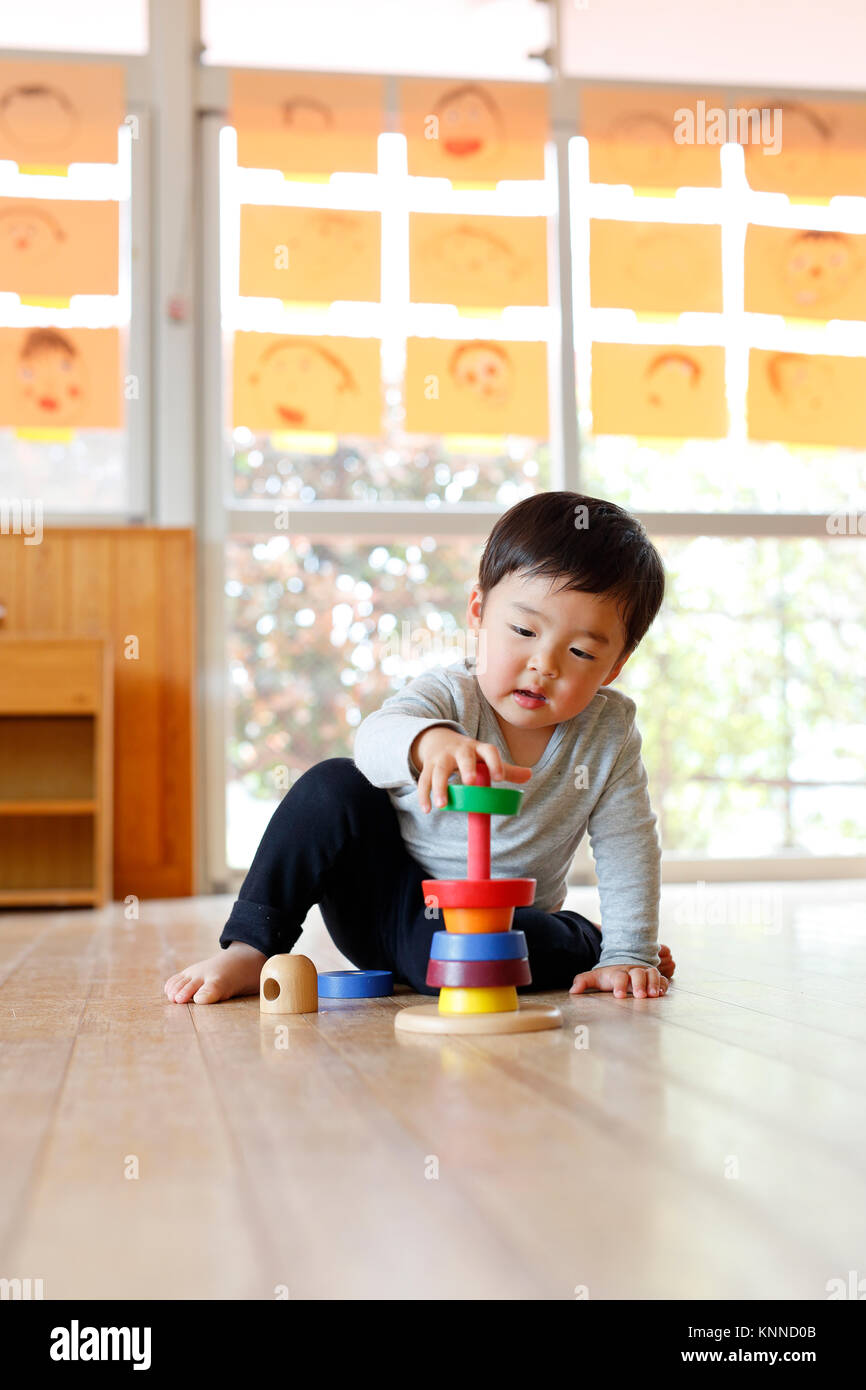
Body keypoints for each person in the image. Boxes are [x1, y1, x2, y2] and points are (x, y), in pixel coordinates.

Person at [165, 490, 676, 1006]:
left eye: (581, 651)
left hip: (494, 929)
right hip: (384, 899)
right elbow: (373, 741)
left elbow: (628, 841)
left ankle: (589, 942)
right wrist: (427, 741)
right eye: (523, 630)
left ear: (614, 666)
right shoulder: (451, 694)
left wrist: (629, 950)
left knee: (471, 962)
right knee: (332, 782)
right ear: (478, 613)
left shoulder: (608, 734)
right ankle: (251, 949)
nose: (544, 664)